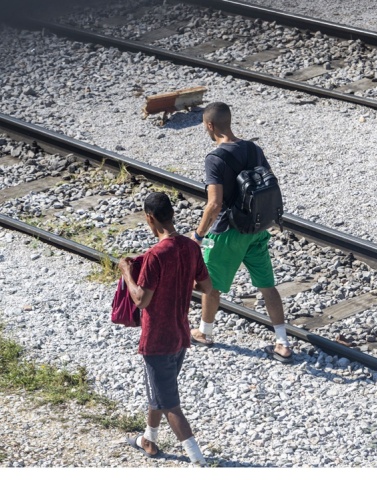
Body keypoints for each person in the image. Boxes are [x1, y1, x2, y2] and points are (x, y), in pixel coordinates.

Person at [190, 101, 293, 364]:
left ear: (210, 125)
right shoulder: (253, 149)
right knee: (267, 286)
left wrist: (198, 235)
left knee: (211, 286)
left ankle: (204, 332)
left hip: (228, 233)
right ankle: (282, 343)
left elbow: (214, 204)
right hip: (257, 229)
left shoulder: (215, 158)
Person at [118, 192, 212, 465]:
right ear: (171, 214)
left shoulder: (155, 255)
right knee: (159, 391)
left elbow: (141, 300)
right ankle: (149, 440)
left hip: (157, 340)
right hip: (181, 335)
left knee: (170, 404)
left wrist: (126, 272)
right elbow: (206, 287)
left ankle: (199, 461)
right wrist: (181, 279)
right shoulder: (191, 247)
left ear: (150, 218)